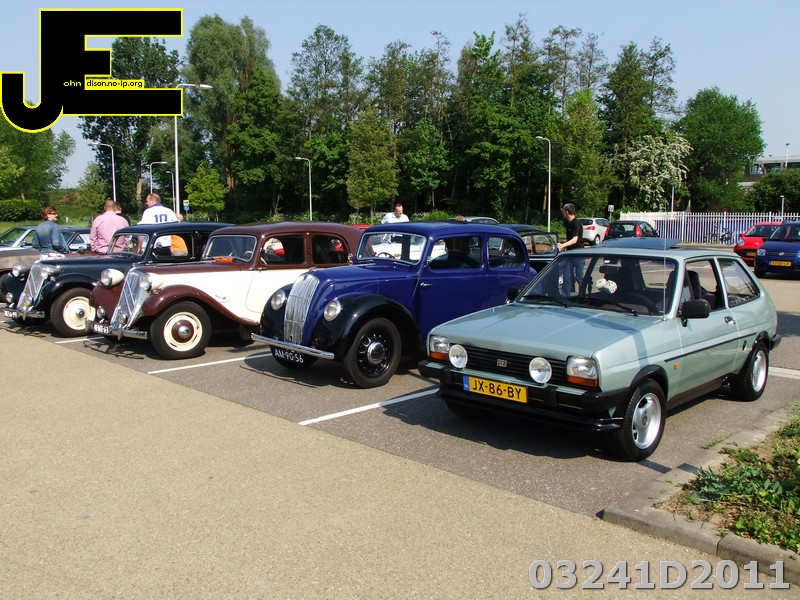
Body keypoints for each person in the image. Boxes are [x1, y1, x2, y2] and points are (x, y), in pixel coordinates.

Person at [556, 203, 584, 296]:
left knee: (579, 277)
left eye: (563, 211)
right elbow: (570, 240)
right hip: (570, 254)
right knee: (567, 277)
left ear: (567, 212)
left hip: (578, 253)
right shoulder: (568, 224)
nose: (562, 213)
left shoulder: (576, 222)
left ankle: (583, 296)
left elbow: (575, 239)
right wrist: (564, 246)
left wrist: (562, 245)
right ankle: (565, 297)